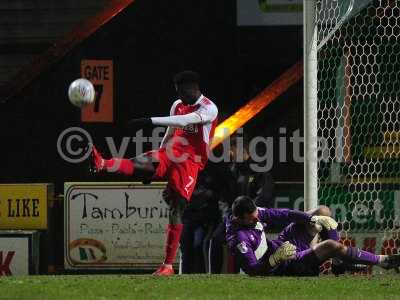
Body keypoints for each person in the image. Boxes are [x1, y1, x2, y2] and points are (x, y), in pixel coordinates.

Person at [89, 71, 218, 276]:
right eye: (177, 92)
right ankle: (104, 162)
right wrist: (158, 165)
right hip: (171, 152)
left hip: (191, 161)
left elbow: (184, 121)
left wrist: (148, 121)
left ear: (193, 88)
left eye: (182, 92)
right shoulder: (177, 104)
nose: (180, 96)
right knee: (139, 163)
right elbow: (169, 133)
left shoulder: (209, 107)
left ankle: (167, 266)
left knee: (176, 209)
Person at [227, 196, 400, 276]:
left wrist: (313, 218)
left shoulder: (253, 213)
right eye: (253, 217)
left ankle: (338, 263)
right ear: (239, 218)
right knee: (332, 246)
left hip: (282, 246)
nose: (258, 217)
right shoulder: (240, 239)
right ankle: (384, 261)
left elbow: (285, 214)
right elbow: (252, 270)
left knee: (323, 211)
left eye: (257, 213)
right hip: (285, 265)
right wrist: (275, 259)